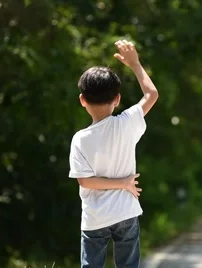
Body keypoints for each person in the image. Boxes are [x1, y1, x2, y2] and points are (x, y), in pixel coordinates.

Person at [68, 39, 159, 268]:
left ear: (82, 100)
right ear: (117, 99)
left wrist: (122, 183)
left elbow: (85, 182)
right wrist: (135, 64)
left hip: (94, 217)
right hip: (125, 212)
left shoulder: (80, 139)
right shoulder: (126, 123)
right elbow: (151, 94)